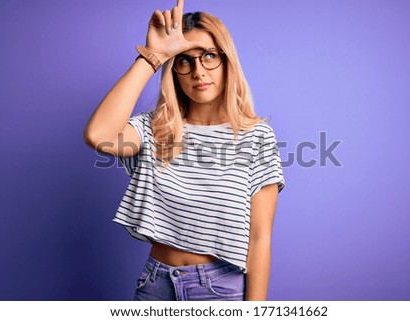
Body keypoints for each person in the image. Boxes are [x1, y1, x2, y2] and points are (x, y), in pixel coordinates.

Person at [84, 0, 285, 301]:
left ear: (227, 60)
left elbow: (259, 239)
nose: (198, 71)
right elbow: (99, 134)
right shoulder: (156, 128)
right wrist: (153, 56)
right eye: (184, 60)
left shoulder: (256, 136)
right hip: (156, 284)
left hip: (219, 290)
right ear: (174, 70)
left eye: (209, 56)